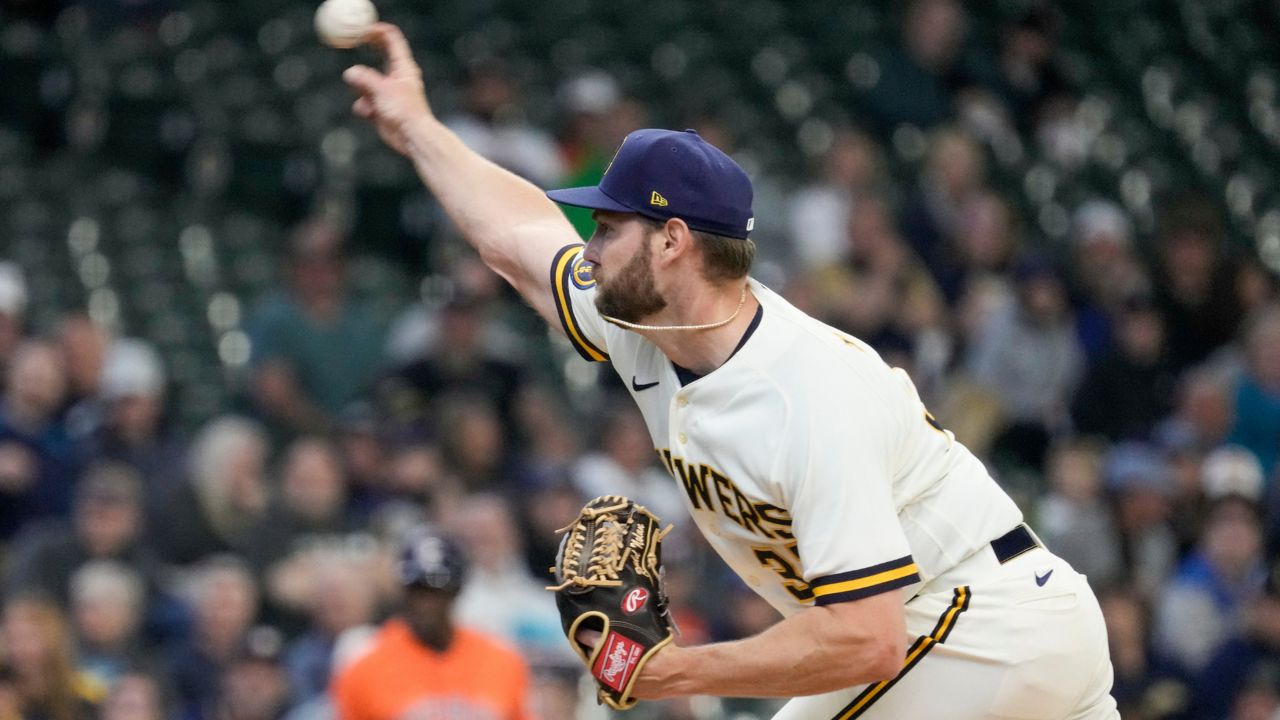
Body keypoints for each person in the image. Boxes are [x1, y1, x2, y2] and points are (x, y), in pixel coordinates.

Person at [342, 25, 1117, 718]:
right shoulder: (641, 325)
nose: (589, 245)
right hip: (955, 629)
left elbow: (866, 640)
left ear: (673, 242)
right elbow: (516, 238)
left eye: (609, 227)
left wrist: (666, 671)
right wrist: (416, 128)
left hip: (980, 620)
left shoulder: (807, 396)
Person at [330, 524, 533, 720]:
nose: (425, 604)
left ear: (456, 592)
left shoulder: (502, 661)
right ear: (403, 592)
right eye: (418, 591)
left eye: (436, 592)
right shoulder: (364, 667)